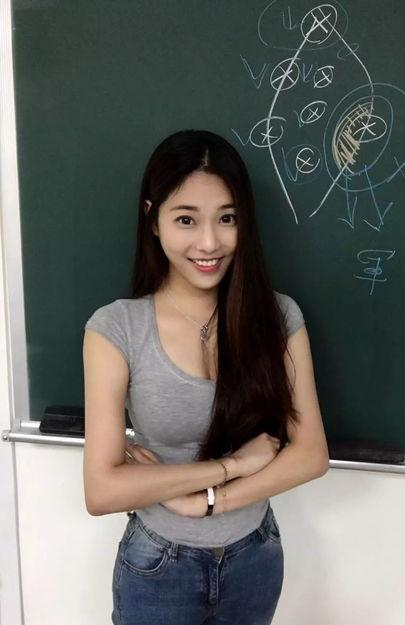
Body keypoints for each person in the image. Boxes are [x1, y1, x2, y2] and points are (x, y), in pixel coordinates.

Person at [82, 129, 329, 625]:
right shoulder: (116, 328)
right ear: (153, 220)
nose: (210, 242)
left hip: (256, 557)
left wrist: (206, 503)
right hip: (158, 565)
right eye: (186, 219)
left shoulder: (278, 317)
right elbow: (102, 491)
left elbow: (311, 455)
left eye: (227, 218)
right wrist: (229, 467)